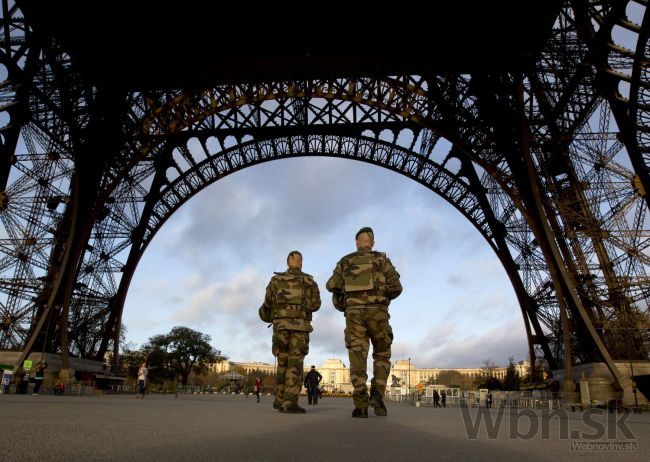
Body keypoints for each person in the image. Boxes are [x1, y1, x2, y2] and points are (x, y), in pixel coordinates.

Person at [326, 227, 402, 418]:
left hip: (354, 314)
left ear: (357, 242)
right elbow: (397, 287)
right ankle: (377, 394)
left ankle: (360, 405)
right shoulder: (382, 260)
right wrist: (381, 296)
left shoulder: (345, 261)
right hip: (378, 312)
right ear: (373, 243)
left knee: (357, 357)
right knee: (382, 354)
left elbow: (331, 285)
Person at [259, 250, 321, 414]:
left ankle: (279, 400)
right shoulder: (309, 282)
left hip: (280, 327)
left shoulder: (276, 280)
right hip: (299, 328)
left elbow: (267, 303)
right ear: (301, 263)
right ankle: (290, 403)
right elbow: (316, 305)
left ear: (288, 263)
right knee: (295, 364)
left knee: (282, 362)